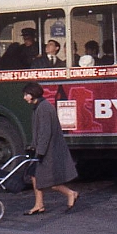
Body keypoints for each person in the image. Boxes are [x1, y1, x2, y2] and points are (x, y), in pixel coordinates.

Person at [22, 82, 79, 215]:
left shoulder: (43, 108)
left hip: (49, 151)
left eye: (26, 94)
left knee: (49, 179)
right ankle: (39, 204)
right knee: (35, 175)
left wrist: (40, 152)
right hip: (46, 149)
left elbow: (45, 132)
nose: (24, 98)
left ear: (33, 94)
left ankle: (71, 193)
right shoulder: (41, 107)